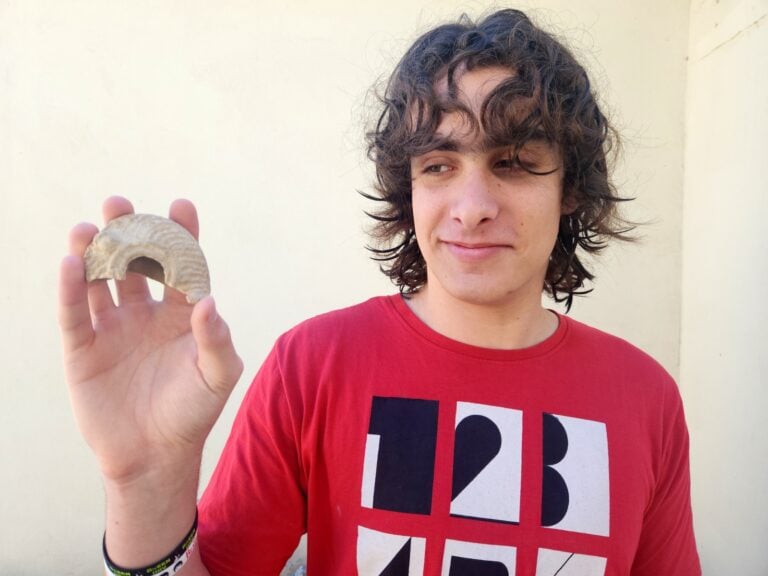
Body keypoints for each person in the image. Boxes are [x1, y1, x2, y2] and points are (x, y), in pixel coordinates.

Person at [58, 9, 701, 576]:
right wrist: (142, 483)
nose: (471, 207)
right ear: (410, 192)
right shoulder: (314, 366)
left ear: (571, 190)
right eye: (438, 166)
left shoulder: (645, 398)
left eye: (512, 161)